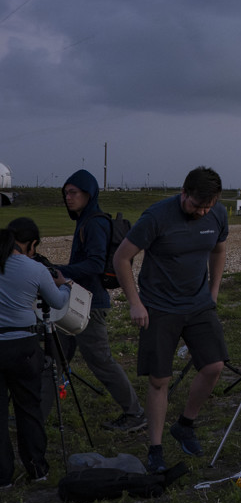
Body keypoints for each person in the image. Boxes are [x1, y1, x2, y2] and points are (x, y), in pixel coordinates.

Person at [114, 166, 229, 474]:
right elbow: (121, 258)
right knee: (159, 380)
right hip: (159, 307)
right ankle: (155, 447)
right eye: (196, 205)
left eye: (207, 206)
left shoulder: (217, 213)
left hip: (199, 304)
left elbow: (218, 249)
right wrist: (135, 303)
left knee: (214, 366)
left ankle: (185, 425)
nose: (201, 212)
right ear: (183, 193)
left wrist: (214, 291)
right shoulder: (157, 217)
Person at [53, 170, 146, 432]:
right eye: (66, 193)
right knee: (54, 357)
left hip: (89, 306)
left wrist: (62, 272)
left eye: (73, 193)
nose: (68, 198)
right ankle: (36, 410)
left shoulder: (93, 223)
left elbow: (94, 264)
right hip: (74, 300)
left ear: (89, 193)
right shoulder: (85, 220)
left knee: (101, 361)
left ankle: (135, 413)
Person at [0, 220, 71, 488]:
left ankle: (2, 477)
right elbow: (57, 301)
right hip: (23, 345)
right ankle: (36, 468)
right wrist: (64, 284)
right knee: (28, 407)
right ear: (31, 244)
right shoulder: (34, 268)